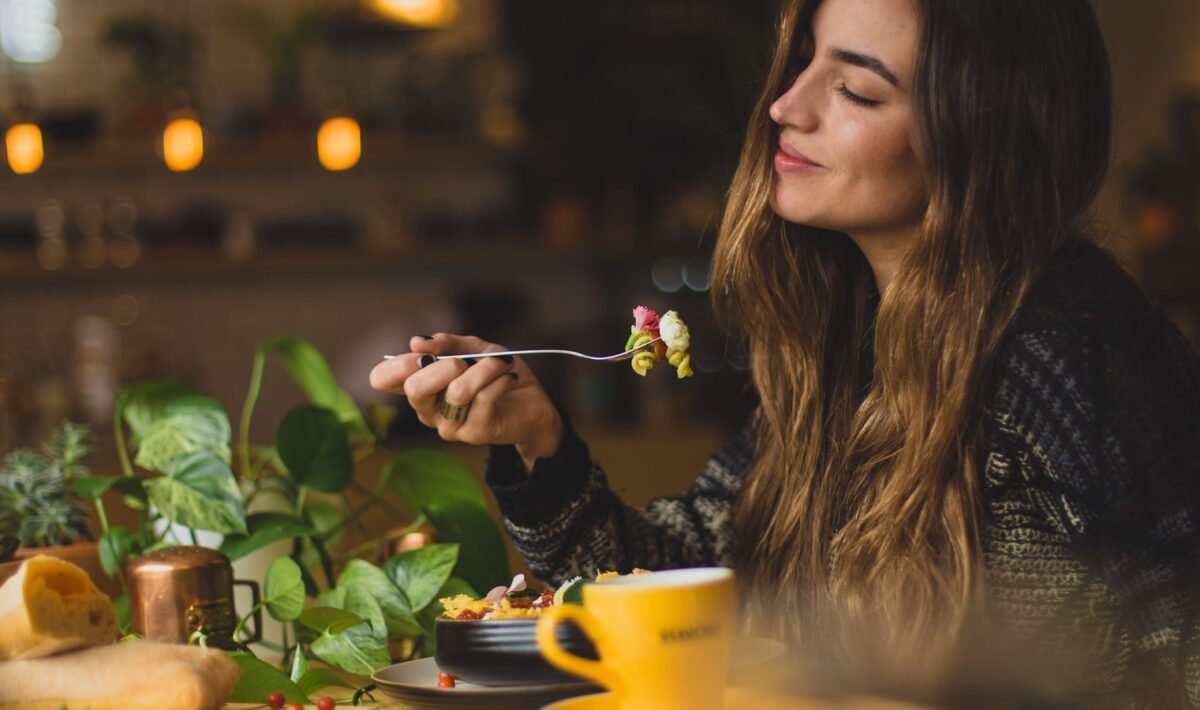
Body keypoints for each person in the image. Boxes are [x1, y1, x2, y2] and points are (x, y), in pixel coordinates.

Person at [371, 0, 1200, 705]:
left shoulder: (1062, 355)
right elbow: (688, 589)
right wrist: (537, 442)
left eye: (855, 90)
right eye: (802, 61)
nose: (786, 106)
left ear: (980, 138)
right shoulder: (855, 343)